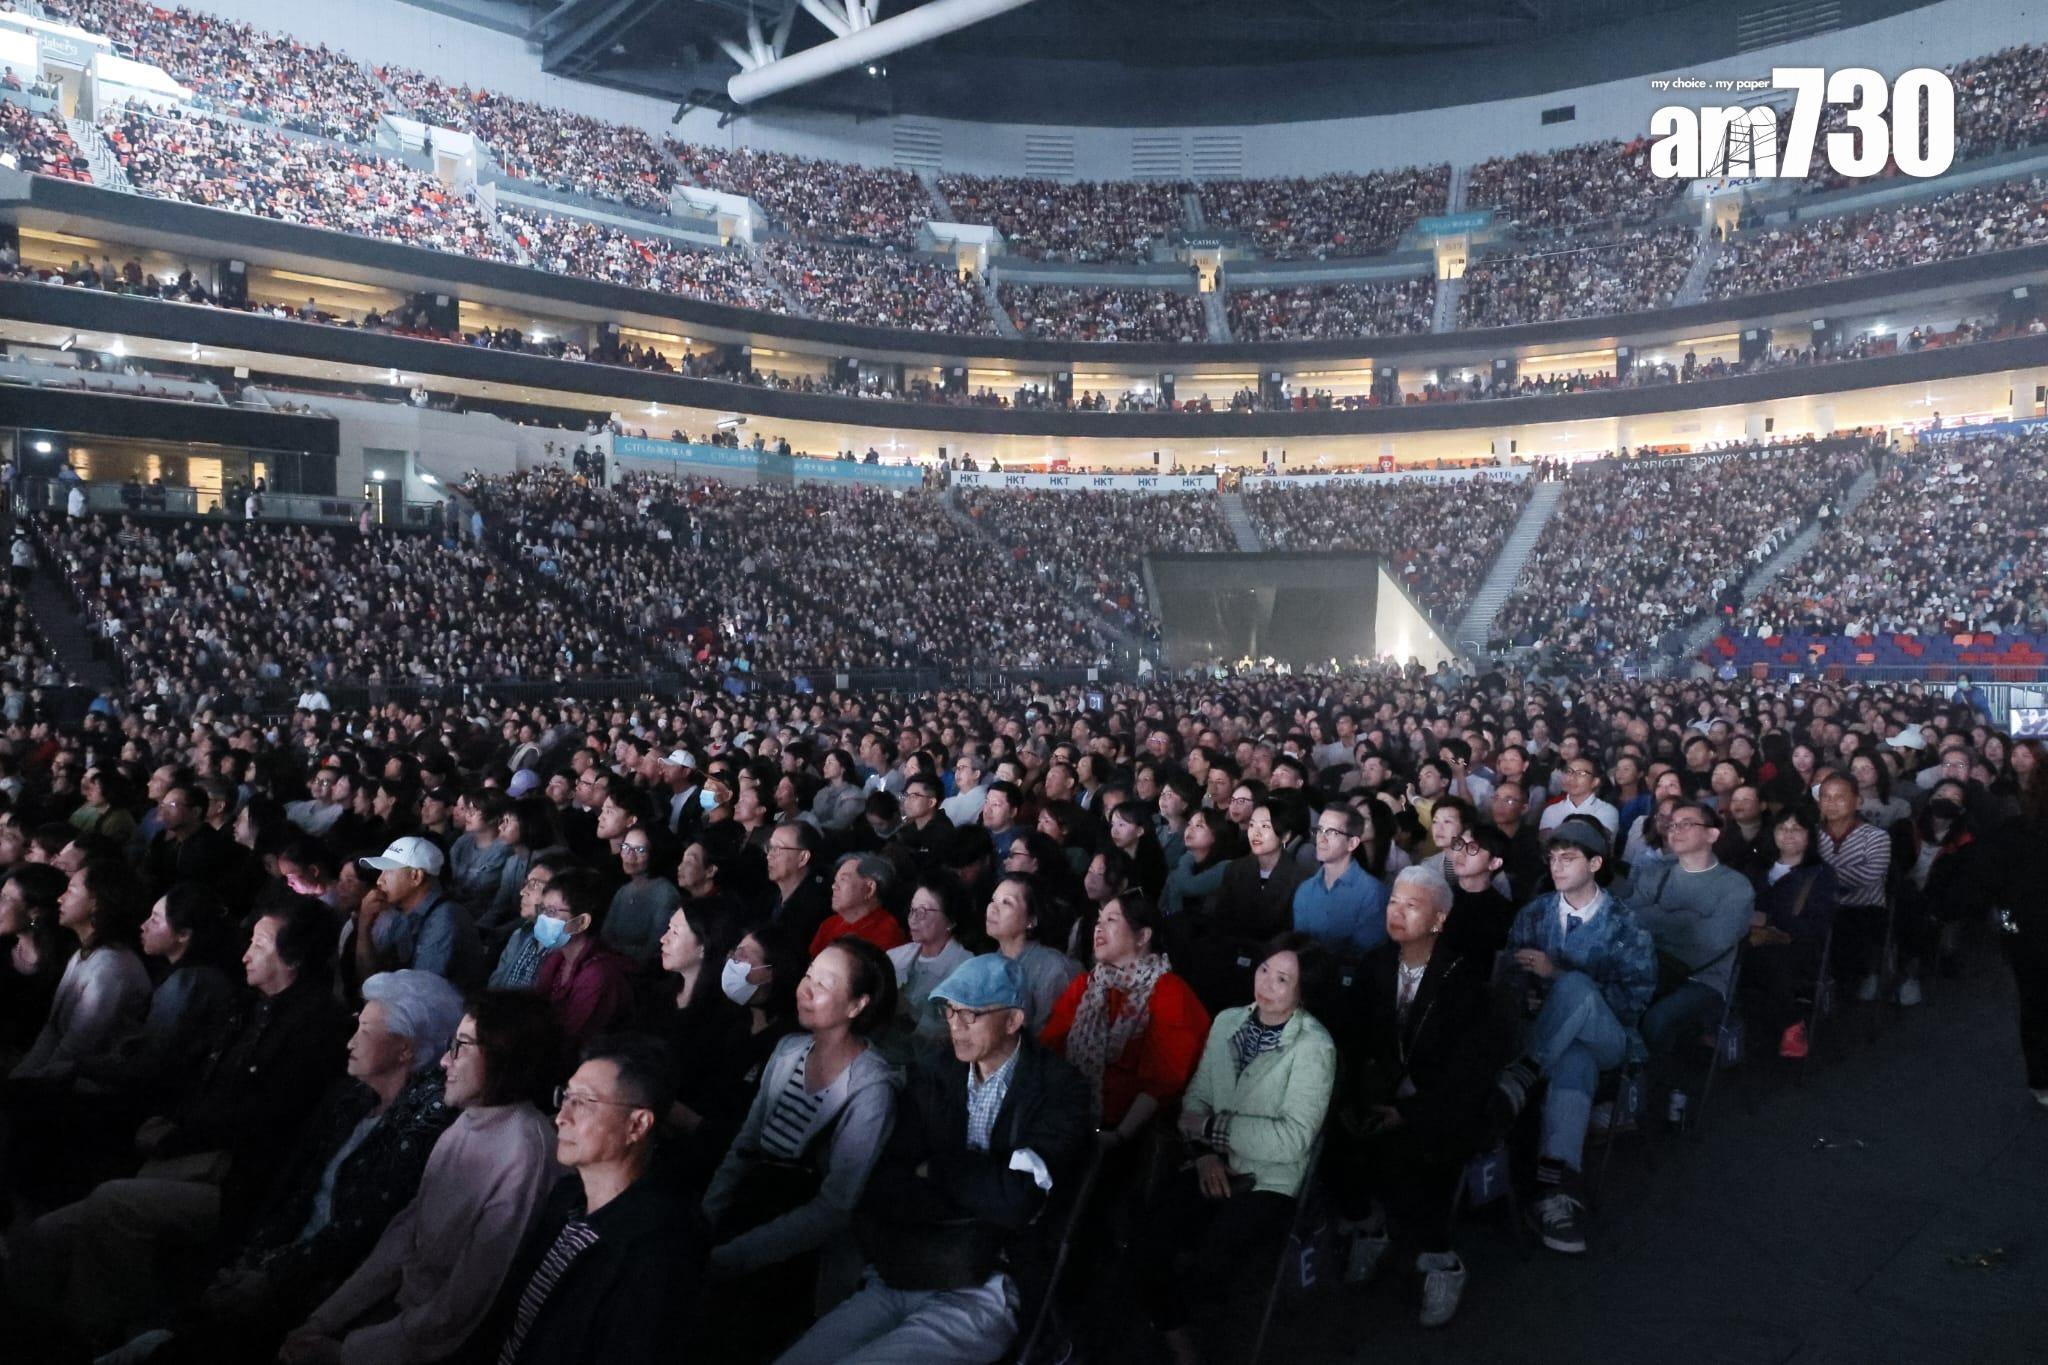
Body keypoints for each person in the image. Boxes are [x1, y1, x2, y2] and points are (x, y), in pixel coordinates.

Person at [18, 898, 352, 1353]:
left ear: (293, 957)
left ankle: (96, 1334)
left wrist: (177, 1133)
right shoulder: (254, 1005)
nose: (245, 955)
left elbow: (265, 1120)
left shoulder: (316, 1028)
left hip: (239, 1179)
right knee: (42, 1237)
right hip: (199, 1153)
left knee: (115, 1204)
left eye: (258, 944)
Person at [774, 954, 1092, 1365]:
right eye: (949, 1011)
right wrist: (982, 1186)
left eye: (970, 1014)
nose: (954, 1025)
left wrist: (937, 1169)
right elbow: (887, 1182)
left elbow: (1018, 1202)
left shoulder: (1058, 1088)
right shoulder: (935, 1073)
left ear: (1013, 1020)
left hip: (991, 1280)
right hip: (908, 1264)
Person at [160, 971, 465, 1364]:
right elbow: (296, 1188)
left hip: (326, 1287)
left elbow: (360, 1228)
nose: (351, 1041)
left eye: (366, 1031)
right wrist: (253, 1257)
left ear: (405, 1049)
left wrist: (270, 1277)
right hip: (284, 1256)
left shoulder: (423, 1122)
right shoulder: (351, 1097)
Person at [284, 992, 566, 1365]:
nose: (445, 1061)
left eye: (461, 1047)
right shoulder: (466, 1120)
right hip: (403, 1315)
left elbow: (463, 1304)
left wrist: (347, 1352)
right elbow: (405, 1235)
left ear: (504, 1056)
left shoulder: (523, 1152)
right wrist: (323, 1320)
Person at [700, 938, 901, 1359]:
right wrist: (706, 1221)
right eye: (808, 975)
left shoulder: (871, 1089)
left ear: (856, 1005)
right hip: (746, 1214)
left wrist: (735, 1256)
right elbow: (745, 1147)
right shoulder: (788, 1050)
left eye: (824, 984)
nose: (805, 988)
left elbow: (834, 1207)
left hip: (801, 1257)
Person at [1142, 934, 1337, 1359]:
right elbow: (1195, 1099)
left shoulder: (1314, 1047)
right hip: (1214, 1164)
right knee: (1150, 1235)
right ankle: (1180, 1343)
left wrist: (1213, 1130)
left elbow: (1292, 1139)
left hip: (1269, 1180)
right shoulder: (1228, 1020)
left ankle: (1208, 1335)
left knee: (1213, 1257)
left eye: (1282, 979)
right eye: (1264, 969)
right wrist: (1207, 1153)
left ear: (1303, 992)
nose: (1266, 983)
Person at [1331, 870, 1498, 1328]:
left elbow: (1468, 1077)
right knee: (1333, 1136)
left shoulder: (1464, 983)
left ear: (1439, 919)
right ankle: (1369, 1226)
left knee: (1410, 1152)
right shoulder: (1374, 965)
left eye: (1411, 905)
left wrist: (1405, 1113)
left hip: (1439, 1106)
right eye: (1393, 903)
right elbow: (1353, 1041)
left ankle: (1441, 1259)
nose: (1396, 913)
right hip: (1380, 1097)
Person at [1489, 819, 1656, 1255]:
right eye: (1553, 858)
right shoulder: (1537, 912)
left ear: (1596, 863)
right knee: (1573, 1060)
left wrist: (1558, 976)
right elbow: (1508, 973)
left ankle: (1523, 1075)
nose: (1557, 866)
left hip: (1611, 1035)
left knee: (1576, 989)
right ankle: (1555, 1187)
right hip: (1553, 1038)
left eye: (1569, 858)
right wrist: (1524, 986)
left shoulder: (1624, 924)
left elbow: (1634, 999)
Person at [485, 1035, 705, 1364]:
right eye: (566, 1097)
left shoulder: (661, 1248)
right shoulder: (567, 1198)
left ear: (637, 1125)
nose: (561, 1116)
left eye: (584, 1102)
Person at [1622, 801, 1754, 1128]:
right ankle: (1620, 1096)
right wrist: (1686, 920)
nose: (1675, 830)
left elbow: (1714, 937)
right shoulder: (1657, 872)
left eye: (1686, 824)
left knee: (1658, 1019)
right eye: (1672, 824)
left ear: (1711, 834)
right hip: (1650, 967)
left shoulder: (1735, 886)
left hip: (1704, 979)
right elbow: (1629, 917)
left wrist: (1660, 919)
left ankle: (1657, 1100)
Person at [1042, 892, 1209, 1150]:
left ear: (1142, 936)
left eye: (1111, 920)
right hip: (1068, 1116)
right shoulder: (1087, 985)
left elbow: (1163, 1081)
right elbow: (1049, 1050)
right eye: (1099, 920)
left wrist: (1119, 1136)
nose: (1099, 927)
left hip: (1132, 1136)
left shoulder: (1170, 992)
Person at [8, 860, 151, 1082]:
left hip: (86, 1092)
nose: (60, 898)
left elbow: (76, 1049)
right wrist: (19, 1076)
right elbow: (53, 1030)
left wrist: (24, 1084)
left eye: (71, 891)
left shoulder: (111, 969)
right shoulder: (84, 953)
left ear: (97, 903)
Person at [1744, 801, 1837, 1059]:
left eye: (1796, 829)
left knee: (1771, 960)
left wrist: (1770, 923)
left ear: (1809, 836)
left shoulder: (1820, 874)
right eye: (1782, 829)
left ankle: (1792, 1023)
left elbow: (1817, 922)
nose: (1788, 835)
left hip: (1797, 945)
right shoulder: (1757, 869)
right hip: (1750, 939)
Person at [357, 836, 485, 990]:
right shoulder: (400, 914)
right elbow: (371, 980)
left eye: (388, 871)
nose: (379, 880)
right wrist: (364, 925)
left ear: (416, 876)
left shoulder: (445, 919)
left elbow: (420, 995)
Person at [533, 868, 636, 1046]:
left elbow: (572, 1042)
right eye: (542, 910)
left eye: (551, 912)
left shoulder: (598, 977)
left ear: (581, 922)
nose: (542, 918)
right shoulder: (556, 959)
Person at [1816, 774, 1892, 1003]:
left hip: (1862, 908)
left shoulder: (1877, 837)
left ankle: (1860, 978)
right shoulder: (1811, 833)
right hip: (1818, 907)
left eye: (1840, 797)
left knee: (1847, 932)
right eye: (1826, 797)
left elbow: (1868, 875)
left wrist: (1818, 877)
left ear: (1857, 801)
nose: (1831, 803)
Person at [1291, 804, 1387, 965]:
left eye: (1332, 832)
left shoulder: (1372, 892)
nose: (1321, 838)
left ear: (1352, 843)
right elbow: (1299, 945)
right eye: (1319, 830)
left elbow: (1366, 954)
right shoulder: (1305, 889)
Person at [888, 871, 977, 1045]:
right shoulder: (894, 957)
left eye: (922, 912)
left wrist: (909, 1012)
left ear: (951, 920)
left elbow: (955, 1035)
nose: (913, 919)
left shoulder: (966, 969)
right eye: (912, 910)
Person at [983, 875, 1080, 1032]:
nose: (992, 908)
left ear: (1032, 920)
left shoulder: (1053, 970)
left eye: (1006, 902)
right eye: (993, 900)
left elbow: (1047, 1040)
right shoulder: (993, 960)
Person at [602, 825, 682, 968]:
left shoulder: (665, 894)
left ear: (654, 853)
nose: (629, 855)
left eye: (640, 850)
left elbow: (653, 948)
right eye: (626, 847)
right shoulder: (623, 891)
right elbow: (605, 937)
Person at [809, 853, 909, 959]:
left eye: (843, 880)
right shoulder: (828, 925)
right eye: (835, 880)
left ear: (870, 889)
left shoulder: (889, 934)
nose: (834, 886)